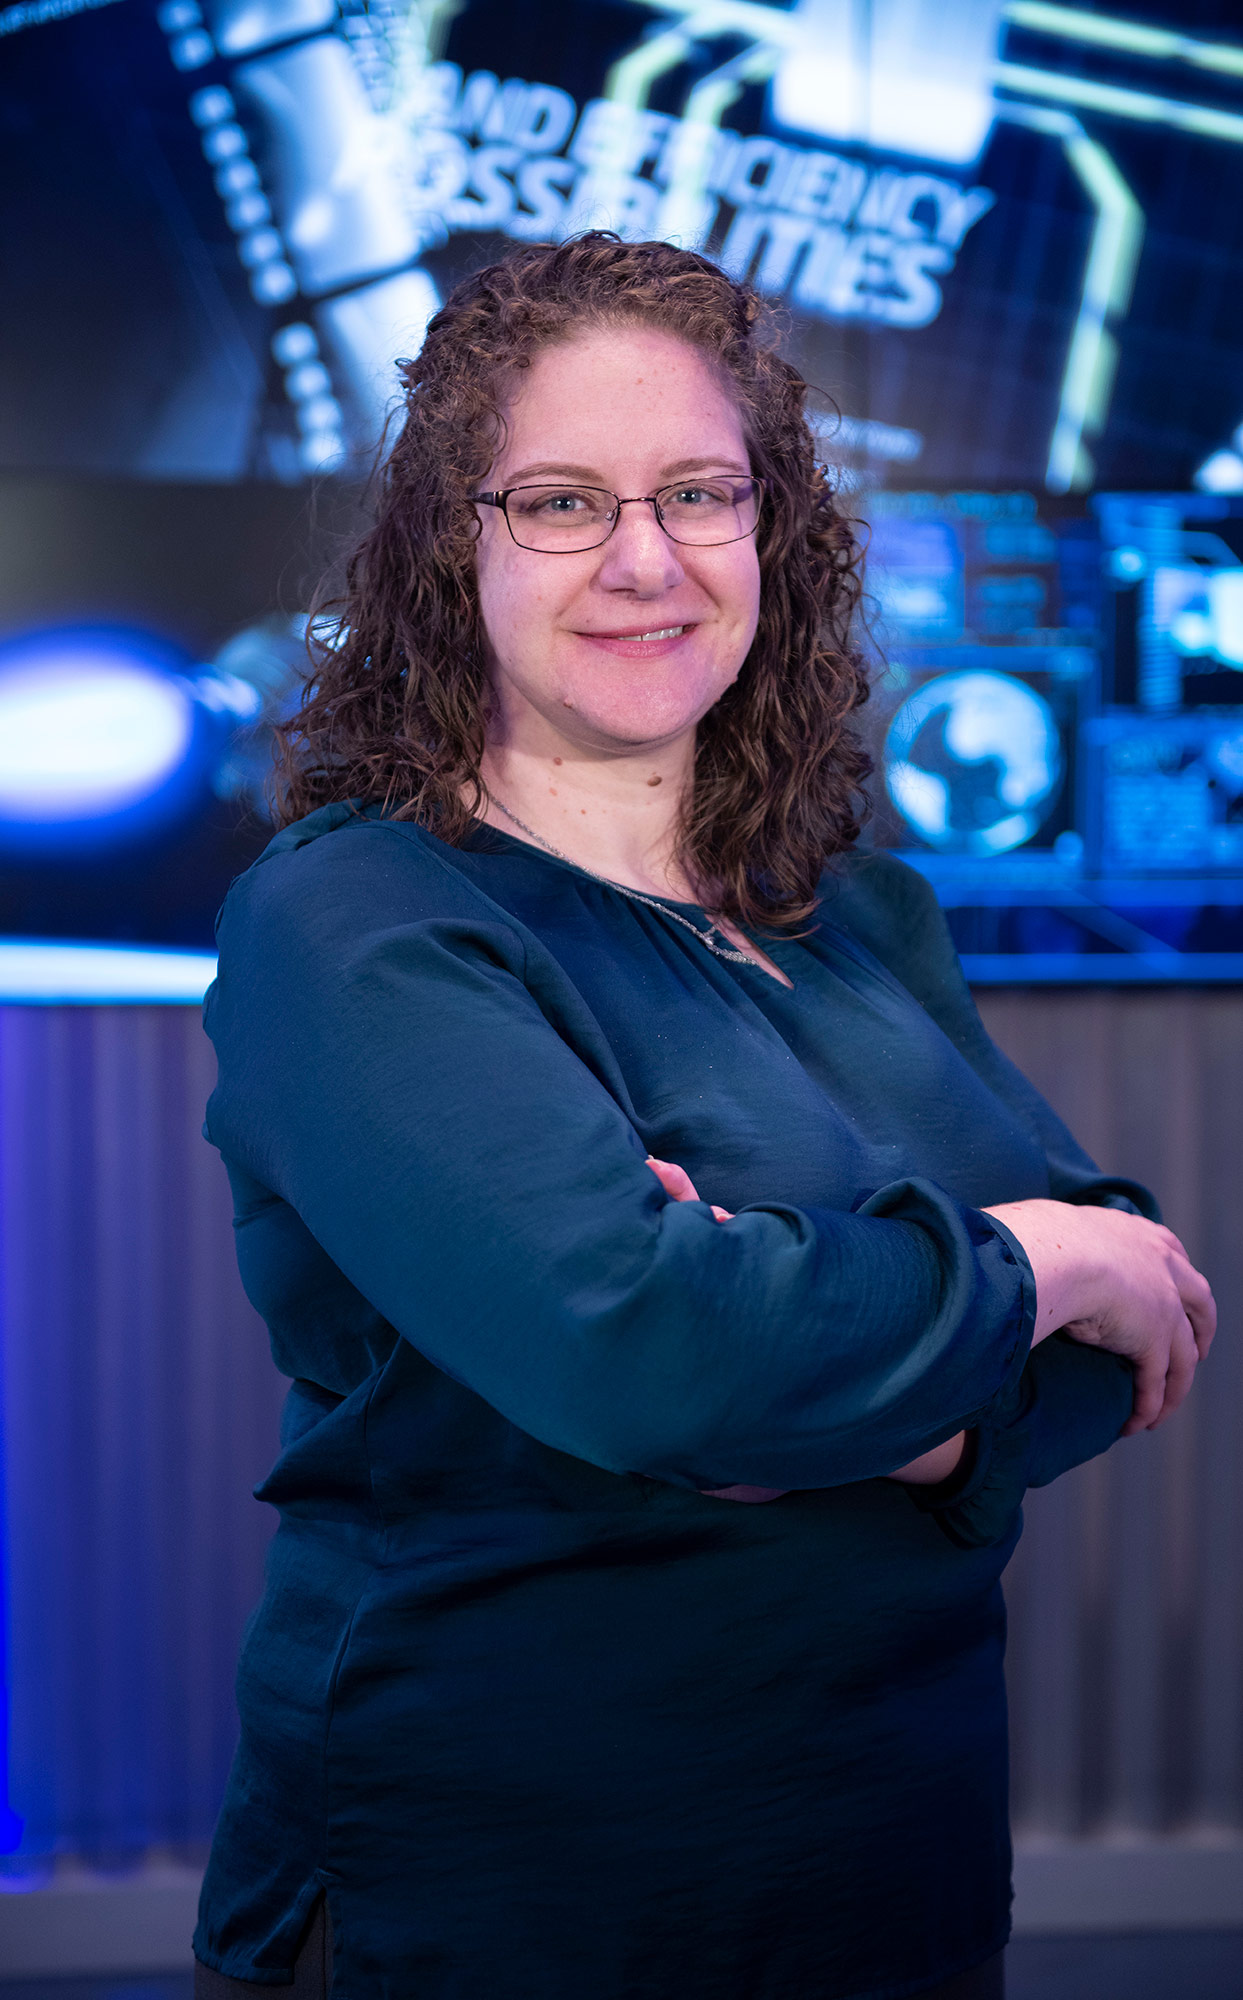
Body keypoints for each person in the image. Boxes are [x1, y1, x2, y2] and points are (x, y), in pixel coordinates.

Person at [193, 233, 1214, 2000]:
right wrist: (1026, 1267)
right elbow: (660, 1355)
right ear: (457, 543)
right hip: (497, 1893)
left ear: (774, 530)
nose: (646, 561)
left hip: (885, 1873)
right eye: (565, 502)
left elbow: (1127, 1340)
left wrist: (808, 1354)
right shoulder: (356, 921)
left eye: (698, 493)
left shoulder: (857, 912)